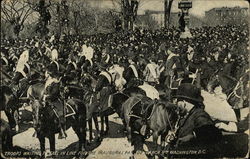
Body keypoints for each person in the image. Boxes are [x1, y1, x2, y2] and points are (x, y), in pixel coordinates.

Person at [168, 83, 222, 157]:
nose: (176, 104)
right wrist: (174, 138)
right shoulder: (187, 115)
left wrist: (192, 136)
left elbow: (214, 134)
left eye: (177, 101)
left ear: (184, 102)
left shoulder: (200, 115)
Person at [43, 62, 66, 139]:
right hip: (47, 100)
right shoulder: (48, 81)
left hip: (55, 100)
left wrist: (47, 97)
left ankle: (62, 130)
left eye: (48, 73)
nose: (47, 74)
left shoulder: (56, 82)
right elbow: (45, 90)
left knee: (59, 113)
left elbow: (54, 94)